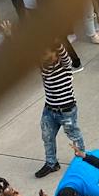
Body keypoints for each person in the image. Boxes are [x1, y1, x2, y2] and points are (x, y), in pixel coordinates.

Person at [34, 44, 86, 179]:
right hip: (50, 109)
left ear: (56, 54)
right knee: (47, 136)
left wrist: (55, 40)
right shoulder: (43, 67)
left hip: (66, 111)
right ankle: (52, 163)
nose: (44, 57)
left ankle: (82, 160)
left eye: (47, 54)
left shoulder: (65, 65)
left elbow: (62, 51)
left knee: (73, 135)